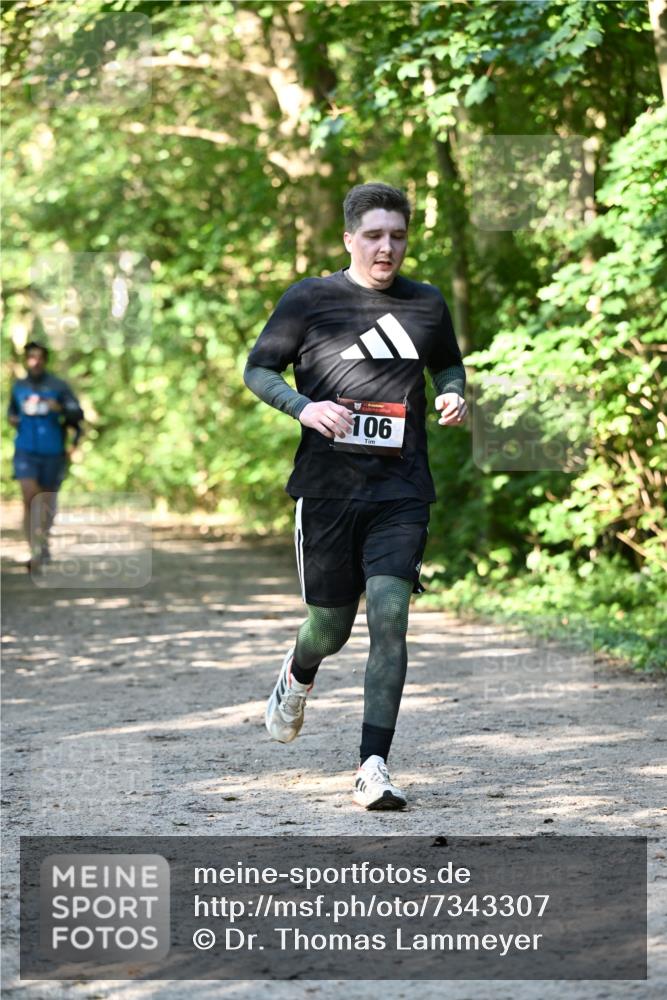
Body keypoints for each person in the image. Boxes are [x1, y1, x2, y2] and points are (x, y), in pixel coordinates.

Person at [244, 182, 467, 810]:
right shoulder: (310, 299)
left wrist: (452, 391)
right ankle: (298, 672)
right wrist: (303, 405)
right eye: (373, 235)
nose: (386, 247)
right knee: (330, 626)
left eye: (397, 235)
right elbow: (258, 368)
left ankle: (374, 765)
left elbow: (448, 364)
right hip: (326, 489)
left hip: (400, 489)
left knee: (390, 617)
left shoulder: (425, 303)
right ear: (349, 239)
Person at [7, 341, 84, 572]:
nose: (35, 361)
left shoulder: (58, 386)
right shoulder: (19, 387)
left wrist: (58, 408)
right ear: (26, 360)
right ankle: (34, 551)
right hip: (25, 451)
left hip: (53, 452)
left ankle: (43, 540)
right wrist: (13, 420)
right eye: (31, 357)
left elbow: (77, 413)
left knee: (47, 502)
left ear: (45, 360)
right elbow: (11, 413)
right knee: (30, 497)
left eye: (40, 357)